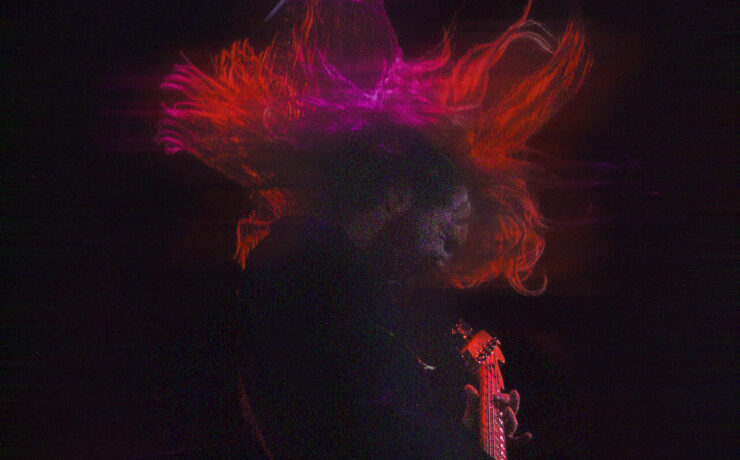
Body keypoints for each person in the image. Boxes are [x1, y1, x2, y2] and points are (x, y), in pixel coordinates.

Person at [233, 126, 530, 458]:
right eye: (445, 238)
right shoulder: (314, 271)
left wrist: (467, 434)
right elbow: (377, 430)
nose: (442, 262)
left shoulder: (335, 279)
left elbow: (372, 423)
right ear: (398, 197)